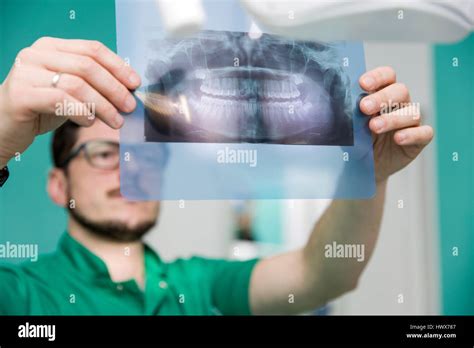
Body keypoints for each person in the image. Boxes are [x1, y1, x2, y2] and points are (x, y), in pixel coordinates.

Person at [0, 37, 433, 315]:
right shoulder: (19, 295)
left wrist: (368, 175)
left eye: (145, 156)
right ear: (59, 186)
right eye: (103, 153)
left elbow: (322, 275)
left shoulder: (198, 284)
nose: (131, 169)